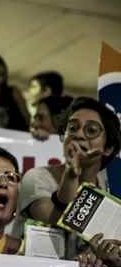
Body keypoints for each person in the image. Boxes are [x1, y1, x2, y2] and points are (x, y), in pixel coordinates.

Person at [12, 97, 121, 258]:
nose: (78, 135)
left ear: (108, 148)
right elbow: (56, 218)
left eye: (91, 130)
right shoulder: (37, 178)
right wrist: (71, 174)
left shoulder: (107, 189)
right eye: (72, 128)